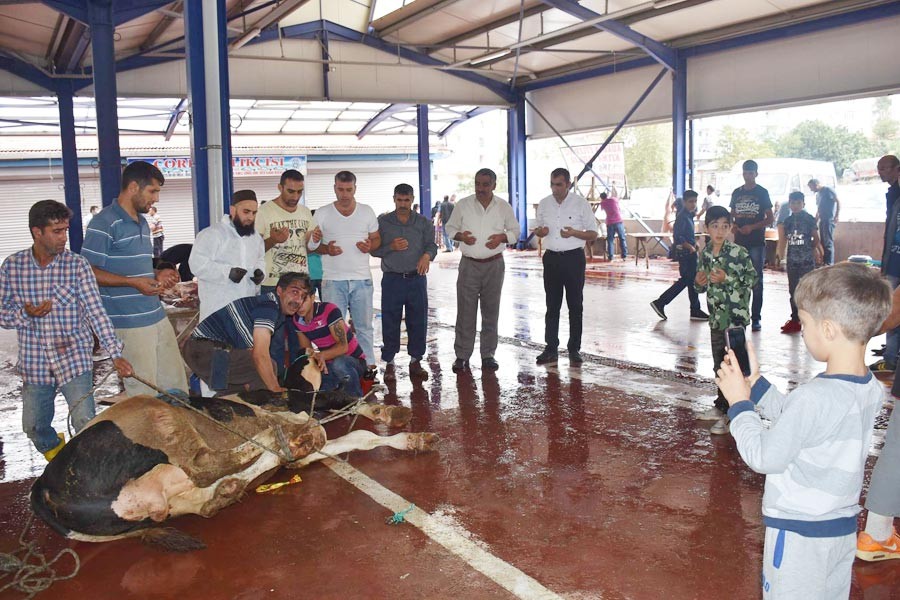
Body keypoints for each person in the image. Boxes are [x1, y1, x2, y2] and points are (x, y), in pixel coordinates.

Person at [716, 262, 891, 599]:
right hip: (839, 531)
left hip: (798, 535)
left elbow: (765, 457)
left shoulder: (813, 397)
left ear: (827, 329)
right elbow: (810, 427)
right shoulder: (869, 387)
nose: (803, 330)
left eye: (805, 322)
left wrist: (739, 404)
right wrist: (756, 387)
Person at [0, 200, 133, 461]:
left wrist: (115, 353)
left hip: (74, 357)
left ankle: (85, 471)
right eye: (57, 231)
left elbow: (96, 312)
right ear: (37, 232)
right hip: (35, 362)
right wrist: (25, 313)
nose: (64, 238)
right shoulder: (12, 267)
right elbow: (2, 315)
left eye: (65, 230)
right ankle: (57, 453)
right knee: (34, 426)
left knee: (85, 420)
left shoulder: (77, 266)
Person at [82, 160, 187, 397]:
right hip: (129, 323)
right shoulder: (104, 223)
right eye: (153, 191)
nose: (156, 199)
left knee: (174, 387)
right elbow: (87, 272)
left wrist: (157, 275)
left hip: (155, 315)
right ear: (132, 187)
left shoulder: (141, 222)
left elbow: (135, 269)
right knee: (144, 395)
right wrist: (132, 282)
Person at [444, 168, 520, 373]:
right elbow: (449, 229)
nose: (481, 188)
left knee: (491, 311)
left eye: (486, 184)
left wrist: (501, 238)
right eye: (478, 184)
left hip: (494, 265)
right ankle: (462, 356)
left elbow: (515, 231)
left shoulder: (503, 206)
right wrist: (461, 237)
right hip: (469, 265)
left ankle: (488, 355)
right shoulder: (463, 205)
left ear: (494, 185)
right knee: (465, 312)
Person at [182, 272, 308, 394]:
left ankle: (228, 406)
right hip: (205, 351)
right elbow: (260, 355)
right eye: (295, 292)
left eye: (303, 296)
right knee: (265, 367)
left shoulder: (271, 307)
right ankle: (263, 411)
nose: (298, 300)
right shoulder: (269, 308)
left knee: (241, 387)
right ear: (280, 290)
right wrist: (275, 388)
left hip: (205, 351)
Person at [307, 171, 380, 377]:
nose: (345, 194)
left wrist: (369, 245)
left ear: (355, 188)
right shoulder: (322, 213)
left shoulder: (367, 211)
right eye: (341, 189)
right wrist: (325, 248)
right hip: (332, 281)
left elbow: (377, 239)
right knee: (333, 329)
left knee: (364, 326)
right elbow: (312, 246)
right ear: (334, 188)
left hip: (362, 279)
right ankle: (336, 370)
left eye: (349, 189)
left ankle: (369, 369)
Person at [694, 205, 757, 435]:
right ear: (706, 228)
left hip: (735, 319)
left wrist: (727, 278)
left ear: (730, 228)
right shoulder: (706, 253)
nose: (719, 231)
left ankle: (735, 414)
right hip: (716, 319)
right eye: (714, 226)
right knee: (719, 365)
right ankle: (721, 407)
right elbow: (699, 288)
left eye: (724, 226)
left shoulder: (738, 252)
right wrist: (699, 283)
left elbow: (752, 279)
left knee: (736, 367)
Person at [370, 183, 437, 381]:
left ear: (412, 200)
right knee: (390, 320)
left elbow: (432, 245)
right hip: (392, 279)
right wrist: (390, 246)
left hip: (416, 279)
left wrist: (427, 255)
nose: (403, 204)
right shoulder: (382, 222)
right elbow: (373, 250)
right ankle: (389, 363)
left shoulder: (424, 223)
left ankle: (416, 361)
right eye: (399, 200)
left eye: (406, 200)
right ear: (394, 199)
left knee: (418, 321)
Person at [533, 168, 598, 366]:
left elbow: (593, 234)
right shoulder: (544, 204)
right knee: (552, 306)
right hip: (551, 259)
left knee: (575, 305)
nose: (555, 189)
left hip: (573, 260)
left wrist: (574, 233)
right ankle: (551, 348)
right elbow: (539, 228)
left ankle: (574, 349)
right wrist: (541, 231)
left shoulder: (580, 203)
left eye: (559, 184)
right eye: (552, 184)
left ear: (568, 184)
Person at [190, 189, 266, 321]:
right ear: (232, 210)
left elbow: (260, 259)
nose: (250, 217)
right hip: (218, 309)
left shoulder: (255, 237)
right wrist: (227, 273)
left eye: (254, 213)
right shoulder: (212, 234)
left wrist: (260, 272)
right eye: (246, 212)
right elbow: (197, 264)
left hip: (246, 307)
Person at [291, 274, 367, 397]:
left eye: (303, 299)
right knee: (316, 389)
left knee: (340, 364)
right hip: (328, 363)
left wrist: (321, 356)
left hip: (353, 361)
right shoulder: (296, 320)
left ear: (312, 297)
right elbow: (307, 350)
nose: (299, 304)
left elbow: (343, 347)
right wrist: (313, 360)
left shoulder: (329, 310)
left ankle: (355, 399)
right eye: (296, 300)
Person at [650, 190, 708, 322]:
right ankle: (661, 302)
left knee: (691, 281)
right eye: (690, 201)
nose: (693, 204)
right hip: (686, 254)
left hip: (690, 252)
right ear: (684, 202)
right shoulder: (682, 217)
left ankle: (695, 309)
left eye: (695, 201)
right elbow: (678, 236)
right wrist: (690, 246)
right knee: (686, 280)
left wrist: (695, 244)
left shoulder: (689, 216)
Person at [729, 159, 773, 332]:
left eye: (751, 173)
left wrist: (752, 227)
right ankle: (741, 315)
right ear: (743, 174)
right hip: (740, 243)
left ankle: (756, 318)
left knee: (756, 280)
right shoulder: (736, 193)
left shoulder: (762, 193)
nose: (748, 175)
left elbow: (770, 218)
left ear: (756, 174)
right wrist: (733, 225)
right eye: (745, 172)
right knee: (739, 280)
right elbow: (732, 214)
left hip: (756, 242)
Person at [255, 169, 314, 292]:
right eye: (291, 191)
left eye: (299, 192)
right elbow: (254, 251)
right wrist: (273, 240)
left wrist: (317, 241)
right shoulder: (263, 211)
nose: (295, 196)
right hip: (272, 283)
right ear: (280, 187)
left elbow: (308, 248)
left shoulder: (305, 212)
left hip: (301, 282)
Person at [776, 191, 822, 334]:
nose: (795, 206)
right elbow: (783, 240)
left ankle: (810, 321)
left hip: (807, 262)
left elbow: (816, 238)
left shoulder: (809, 219)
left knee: (807, 291)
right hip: (792, 261)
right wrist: (779, 256)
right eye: (792, 203)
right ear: (789, 204)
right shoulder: (787, 221)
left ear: (803, 204)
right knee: (793, 291)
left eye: (798, 203)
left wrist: (811, 249)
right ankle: (795, 320)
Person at [873, 154, 900, 373]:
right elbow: (889, 231)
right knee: (890, 311)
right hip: (893, 262)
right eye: (879, 168)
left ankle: (892, 359)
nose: (881, 172)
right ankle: (891, 356)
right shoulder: (892, 193)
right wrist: (884, 261)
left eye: (885, 168)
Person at [807, 178, 839, 266]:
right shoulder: (818, 195)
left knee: (828, 242)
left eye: (811, 187)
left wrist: (836, 215)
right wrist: (815, 220)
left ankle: (829, 263)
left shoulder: (828, 190)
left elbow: (838, 201)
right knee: (823, 241)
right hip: (822, 220)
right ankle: (825, 262)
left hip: (829, 219)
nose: (811, 190)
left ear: (816, 184)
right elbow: (818, 209)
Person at [599, 191, 627, 260]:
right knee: (622, 238)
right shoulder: (613, 200)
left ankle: (611, 256)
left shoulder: (602, 203)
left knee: (610, 240)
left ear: (601, 198)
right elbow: (616, 195)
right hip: (618, 221)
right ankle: (624, 255)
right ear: (607, 196)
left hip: (610, 223)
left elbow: (602, 209)